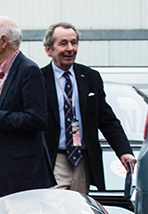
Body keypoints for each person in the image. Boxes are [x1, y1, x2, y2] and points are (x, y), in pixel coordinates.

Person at [41, 22, 135, 195]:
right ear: (48, 50)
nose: (70, 48)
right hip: (54, 159)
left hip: (82, 160)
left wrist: (124, 151)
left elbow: (107, 120)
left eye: (74, 42)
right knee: (53, 209)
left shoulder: (90, 78)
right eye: (63, 43)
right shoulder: (38, 79)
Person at [0, 16, 53, 203]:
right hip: (0, 164)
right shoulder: (3, 73)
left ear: (4, 41)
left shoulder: (28, 70)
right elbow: (4, 113)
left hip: (22, 172)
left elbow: (36, 119)